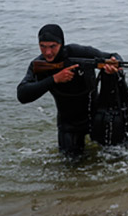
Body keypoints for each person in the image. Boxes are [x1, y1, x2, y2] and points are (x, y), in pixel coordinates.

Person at [17, 24, 121, 157]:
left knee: (120, 157)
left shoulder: (80, 53)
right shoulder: (39, 65)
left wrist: (115, 64)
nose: (47, 52)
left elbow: (113, 56)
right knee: (71, 169)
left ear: (61, 43)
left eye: (52, 46)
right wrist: (54, 79)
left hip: (98, 117)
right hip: (69, 125)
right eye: (43, 46)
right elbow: (22, 94)